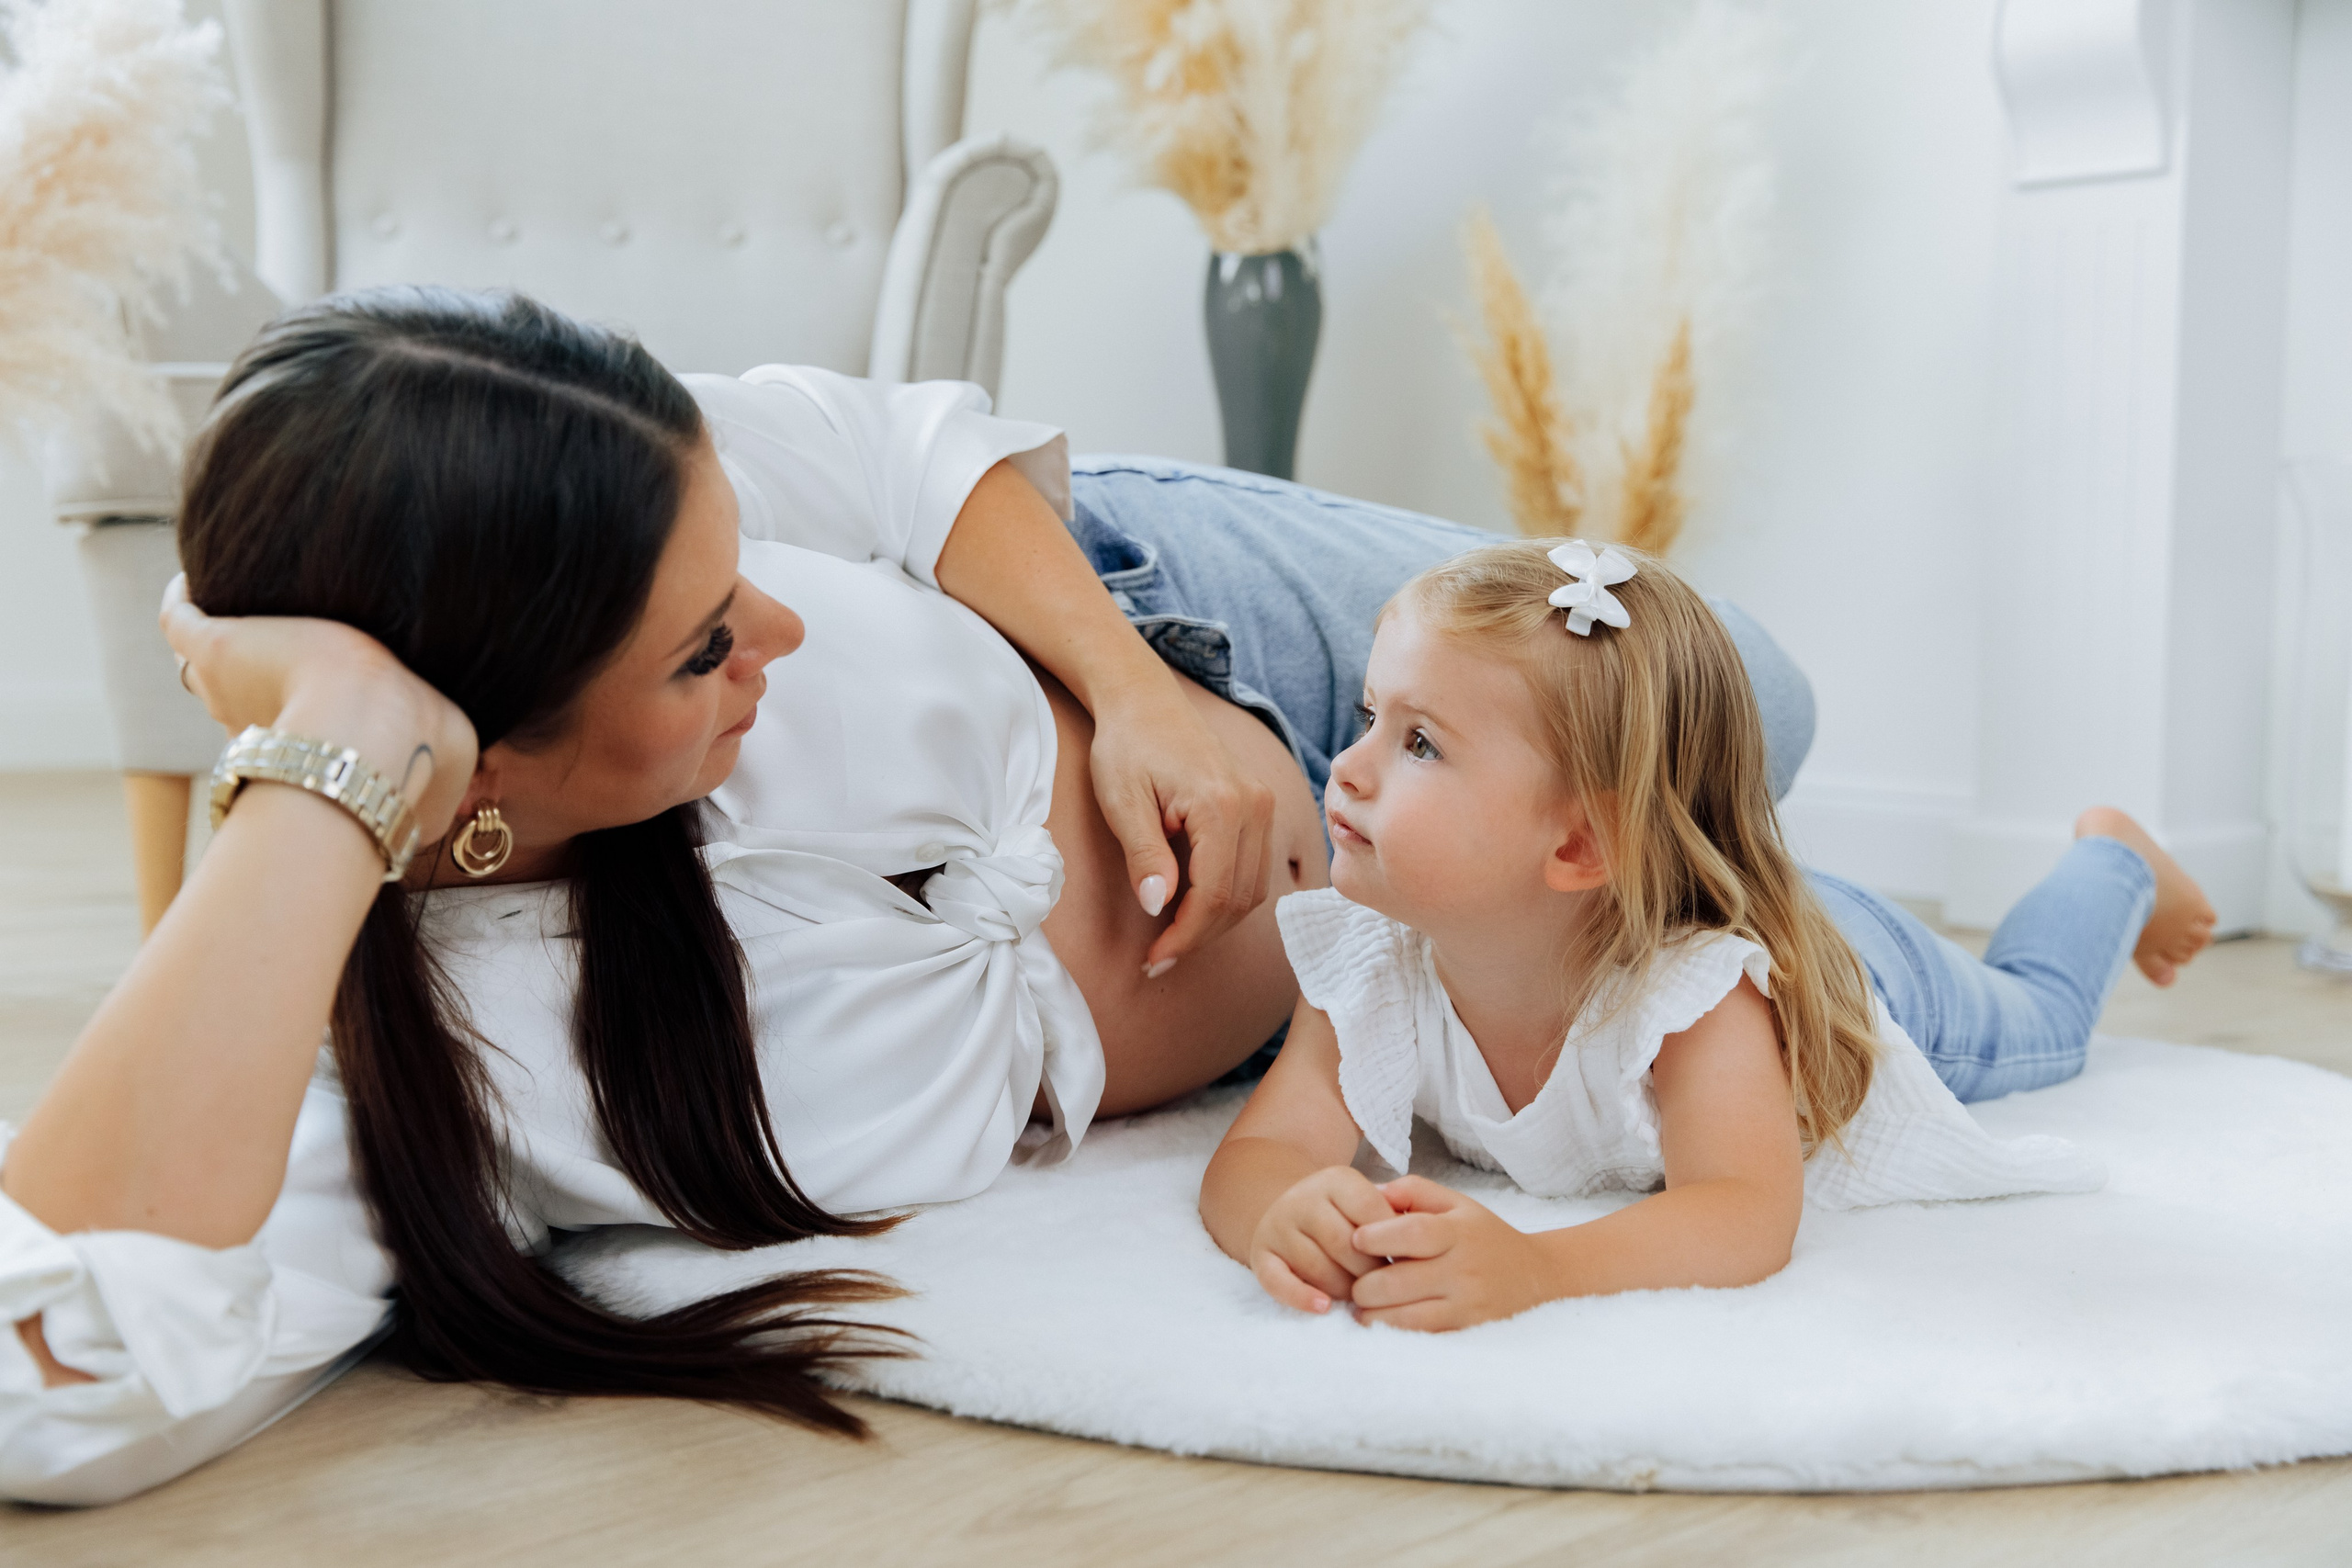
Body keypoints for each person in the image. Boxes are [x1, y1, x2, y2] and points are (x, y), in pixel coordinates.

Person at [0, 288, 1818, 1505]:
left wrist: (1133, 688)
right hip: (1391, 945)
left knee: (1747, 694)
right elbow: (49, 1374)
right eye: (706, 645)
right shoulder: (404, 1057)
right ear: (476, 763)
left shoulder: (572, 474)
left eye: (740, 567)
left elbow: (894, 449)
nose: (773, 622)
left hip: (1174, 607)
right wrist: (333, 760)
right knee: (1767, 933)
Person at [1199, 539, 2219, 1332]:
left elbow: (1743, 1210)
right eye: (1371, 714)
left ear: (1580, 842)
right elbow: (1269, 1147)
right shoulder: (1369, 955)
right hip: (1661, 893)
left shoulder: (1693, 997)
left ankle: (2111, 858)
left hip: (1852, 976)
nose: (1348, 764)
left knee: (2038, 1016)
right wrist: (1282, 1216)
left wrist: (1539, 1268)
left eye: (1418, 742)